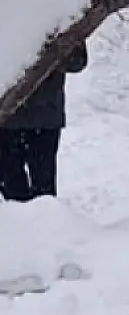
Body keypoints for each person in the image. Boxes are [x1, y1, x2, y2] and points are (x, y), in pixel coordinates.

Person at [0, 40, 87, 202]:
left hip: (42, 118)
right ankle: (29, 223)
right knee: (14, 188)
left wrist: (55, 56)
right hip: (12, 117)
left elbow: (77, 61)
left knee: (41, 191)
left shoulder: (52, 18)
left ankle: (38, 223)